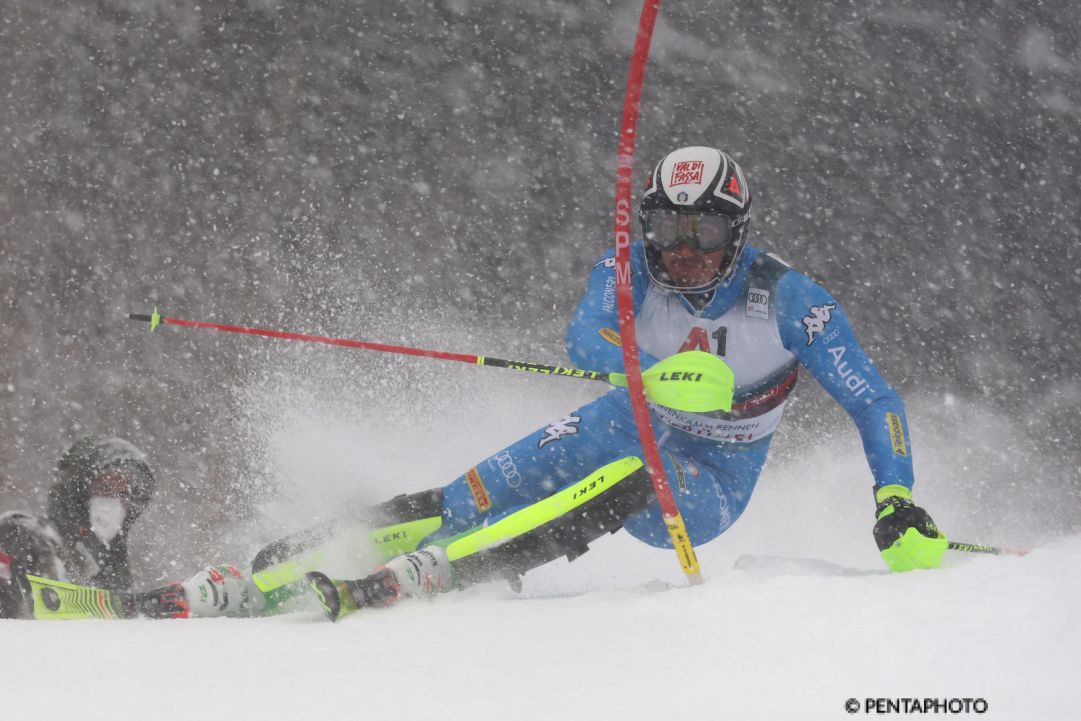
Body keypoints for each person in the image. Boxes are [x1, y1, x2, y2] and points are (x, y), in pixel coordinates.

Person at [102, 146, 950, 620]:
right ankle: (275, 564)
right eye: (667, 227)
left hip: (710, 481)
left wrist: (894, 499)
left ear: (738, 228)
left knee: (618, 482)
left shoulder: (787, 298)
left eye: (705, 229)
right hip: (625, 415)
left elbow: (873, 399)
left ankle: (449, 572)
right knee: (473, 488)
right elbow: (585, 334)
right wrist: (654, 372)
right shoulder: (629, 271)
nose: (684, 248)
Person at [0, 436, 156, 618]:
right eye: (105, 487)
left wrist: (155, 606)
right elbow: (51, 612)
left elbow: (115, 635)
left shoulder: (112, 567)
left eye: (124, 493)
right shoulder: (27, 536)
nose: (115, 501)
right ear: (77, 494)